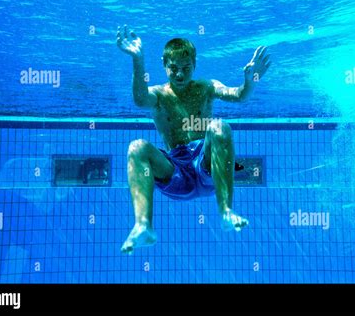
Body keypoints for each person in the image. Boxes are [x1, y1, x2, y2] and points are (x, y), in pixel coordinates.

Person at [116, 25, 271, 254]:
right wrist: (138, 59)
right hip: (175, 171)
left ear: (195, 65)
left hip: (206, 166)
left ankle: (226, 212)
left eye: (186, 68)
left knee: (219, 127)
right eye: (173, 68)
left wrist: (250, 81)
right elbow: (140, 99)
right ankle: (143, 225)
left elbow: (238, 95)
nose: (179, 74)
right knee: (137, 147)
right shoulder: (159, 95)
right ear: (164, 65)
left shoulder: (207, 87)